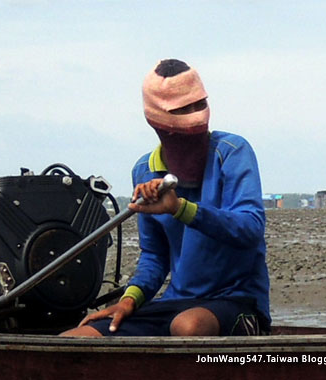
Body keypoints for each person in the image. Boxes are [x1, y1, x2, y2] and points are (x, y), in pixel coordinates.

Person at [61, 58, 270, 337]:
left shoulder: (231, 152)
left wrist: (180, 208)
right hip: (176, 303)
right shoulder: (144, 170)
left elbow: (250, 228)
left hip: (238, 302)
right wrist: (129, 300)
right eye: (184, 109)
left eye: (201, 104)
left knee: (188, 326)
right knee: (78, 338)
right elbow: (154, 256)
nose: (197, 116)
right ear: (159, 123)